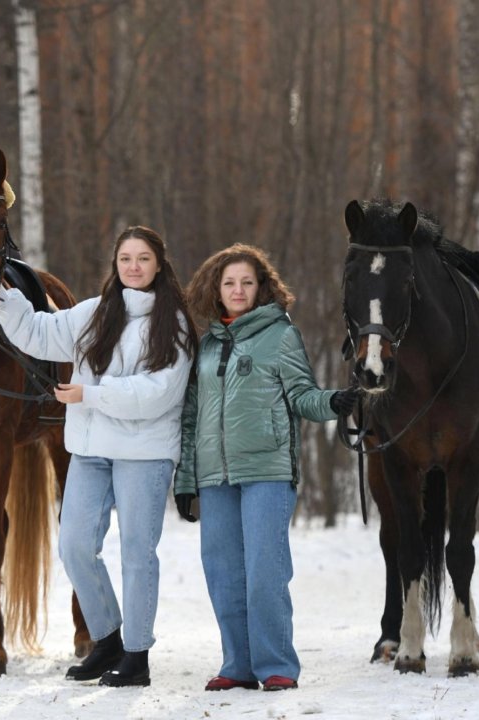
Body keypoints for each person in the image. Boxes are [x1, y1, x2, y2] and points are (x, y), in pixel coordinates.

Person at [0, 226, 198, 687]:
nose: (133, 266)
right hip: (91, 452)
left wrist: (91, 393)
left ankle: (136, 654)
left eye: (142, 258)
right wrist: (1, 295)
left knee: (136, 553)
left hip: (143, 454)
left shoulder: (175, 324)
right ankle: (106, 637)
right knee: (74, 546)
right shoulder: (95, 313)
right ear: (116, 263)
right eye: (125, 258)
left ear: (159, 265)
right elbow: (38, 332)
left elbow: (159, 394)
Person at [173, 243, 357, 692]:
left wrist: (335, 402)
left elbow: (302, 396)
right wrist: (186, 480)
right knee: (223, 573)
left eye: (246, 283)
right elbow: (192, 416)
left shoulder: (280, 334)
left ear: (262, 289)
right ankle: (236, 664)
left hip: (268, 472)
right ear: (217, 290)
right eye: (229, 283)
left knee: (264, 571)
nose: (238, 290)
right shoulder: (209, 342)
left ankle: (276, 665)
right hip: (215, 475)